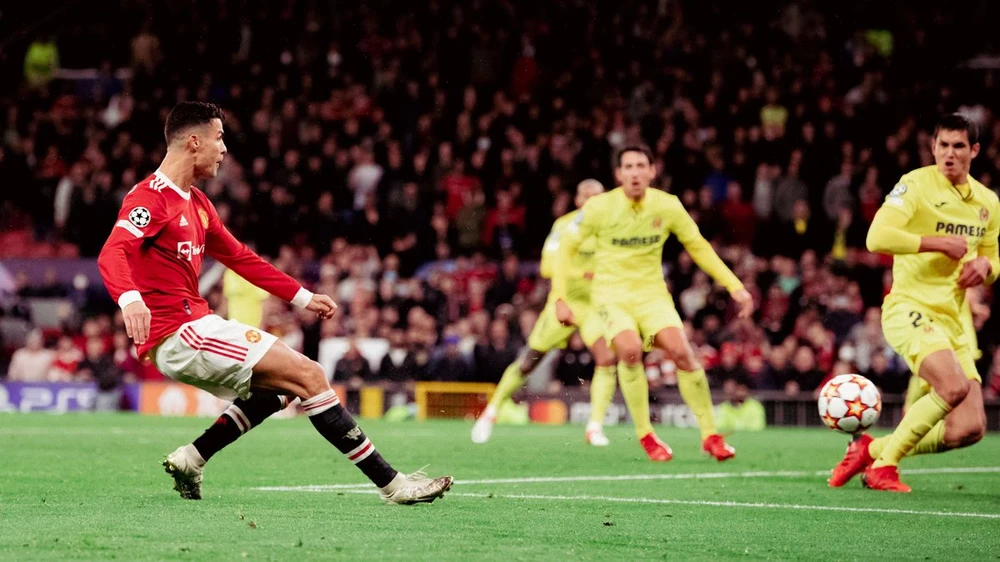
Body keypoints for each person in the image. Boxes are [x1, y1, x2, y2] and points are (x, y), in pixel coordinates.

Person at [97, 102, 451, 504]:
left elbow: (241, 258)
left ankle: (192, 458)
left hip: (195, 327)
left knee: (283, 390)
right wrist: (130, 299)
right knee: (310, 375)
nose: (224, 149)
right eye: (219, 138)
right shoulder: (151, 198)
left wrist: (303, 297)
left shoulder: (197, 204)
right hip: (180, 333)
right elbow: (113, 252)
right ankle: (394, 485)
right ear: (194, 142)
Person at [828, 113, 999, 492]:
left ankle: (871, 450)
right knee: (952, 387)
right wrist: (936, 242)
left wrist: (986, 267)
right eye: (943, 145)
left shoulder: (987, 202)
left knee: (969, 428)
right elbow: (876, 237)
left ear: (974, 150)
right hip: (909, 309)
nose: (949, 154)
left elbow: (992, 260)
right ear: (933, 147)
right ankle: (884, 468)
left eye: (958, 146)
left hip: (952, 320)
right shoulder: (915, 185)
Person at [551, 147, 754, 461]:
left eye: (640, 166)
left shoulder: (667, 205)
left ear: (652, 171)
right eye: (628, 167)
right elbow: (566, 246)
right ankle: (646, 434)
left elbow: (698, 246)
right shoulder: (599, 207)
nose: (635, 172)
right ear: (618, 174)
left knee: (683, 353)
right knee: (630, 350)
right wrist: (560, 297)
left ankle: (710, 436)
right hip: (611, 295)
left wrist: (734, 285)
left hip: (652, 295)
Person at [471, 180, 620, 446]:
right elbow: (547, 266)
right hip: (563, 302)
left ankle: (595, 426)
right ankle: (491, 411)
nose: (592, 200)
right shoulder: (564, 226)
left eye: (597, 195)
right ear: (577, 200)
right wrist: (583, 273)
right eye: (586, 195)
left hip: (596, 305)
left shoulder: (613, 229)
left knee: (606, 358)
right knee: (530, 360)